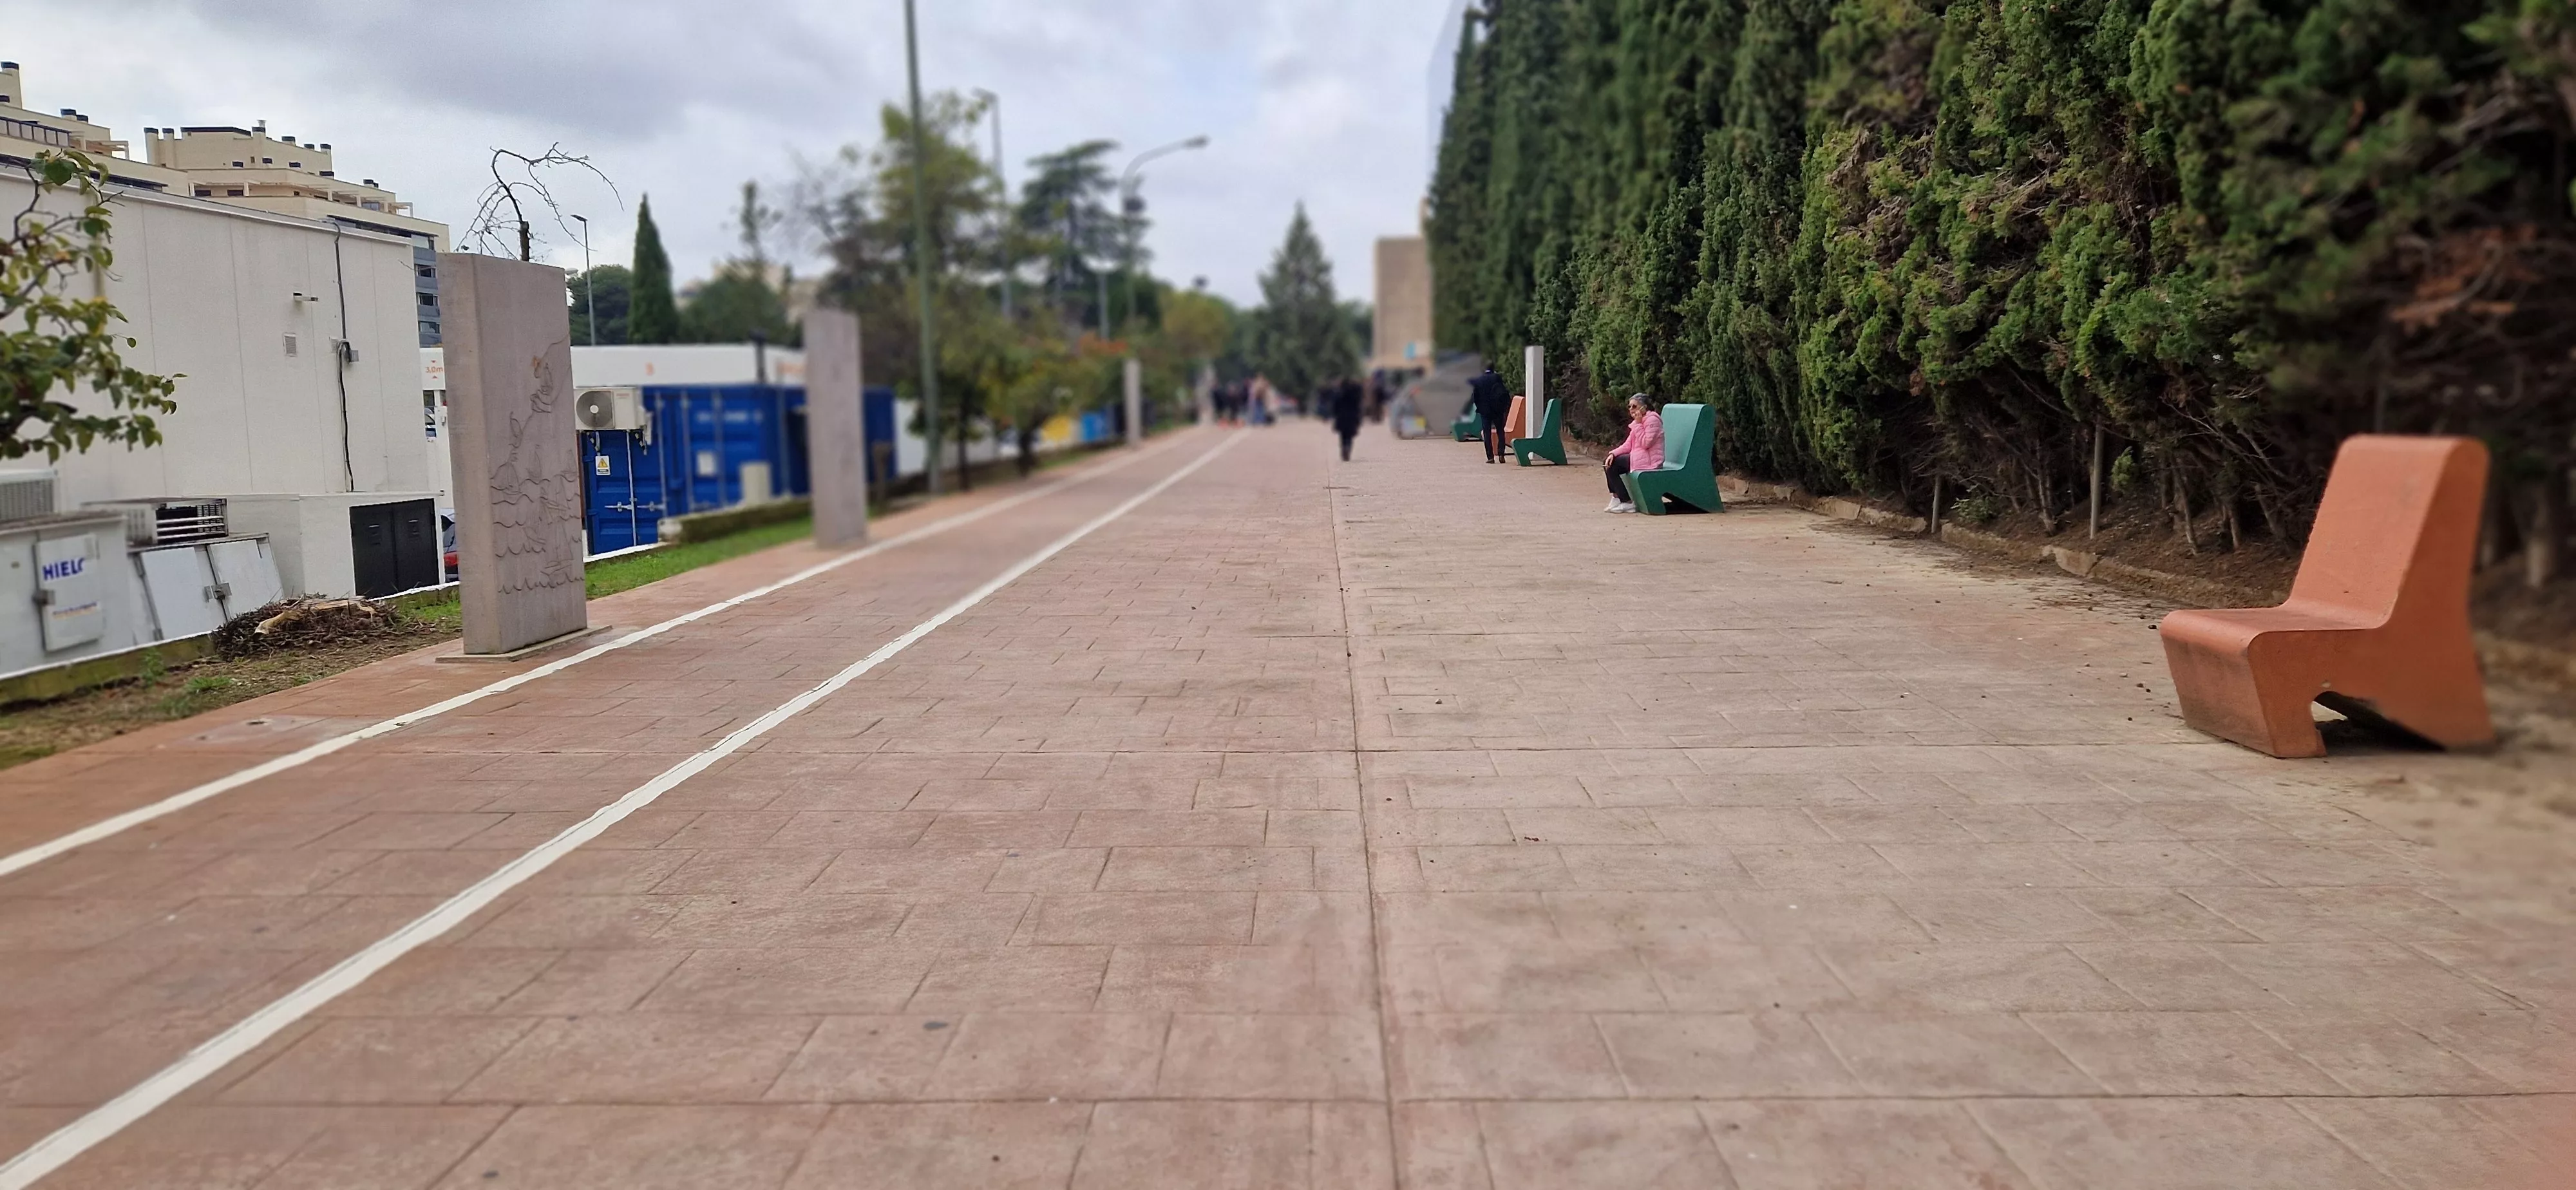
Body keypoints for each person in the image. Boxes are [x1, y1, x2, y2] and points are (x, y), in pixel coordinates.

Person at [1602, 393, 1662, 512]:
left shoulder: (1653, 421)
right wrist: (1612, 454)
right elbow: (1628, 445)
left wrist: (1639, 424)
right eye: (1629, 407)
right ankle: (1617, 497)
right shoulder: (1638, 422)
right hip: (1640, 458)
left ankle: (1626, 502)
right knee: (1609, 462)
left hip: (1650, 461)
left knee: (1614, 466)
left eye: (1634, 406)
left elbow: (1646, 443)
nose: (1631, 409)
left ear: (1644, 407)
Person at [1468, 364, 1511, 464]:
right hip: (1498, 409)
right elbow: (1502, 391)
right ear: (1493, 368)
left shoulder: (1478, 380)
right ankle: (1501, 454)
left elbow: (1475, 396)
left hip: (1485, 411)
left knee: (1487, 433)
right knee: (1500, 431)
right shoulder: (1497, 377)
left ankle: (1490, 457)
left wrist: (1479, 407)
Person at [1330, 375, 1364, 461]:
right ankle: (1348, 449)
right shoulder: (1355, 394)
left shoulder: (1339, 394)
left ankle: (1344, 448)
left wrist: (1334, 415)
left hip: (1341, 417)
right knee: (1350, 436)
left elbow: (1335, 406)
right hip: (1352, 417)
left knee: (1343, 436)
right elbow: (1358, 406)